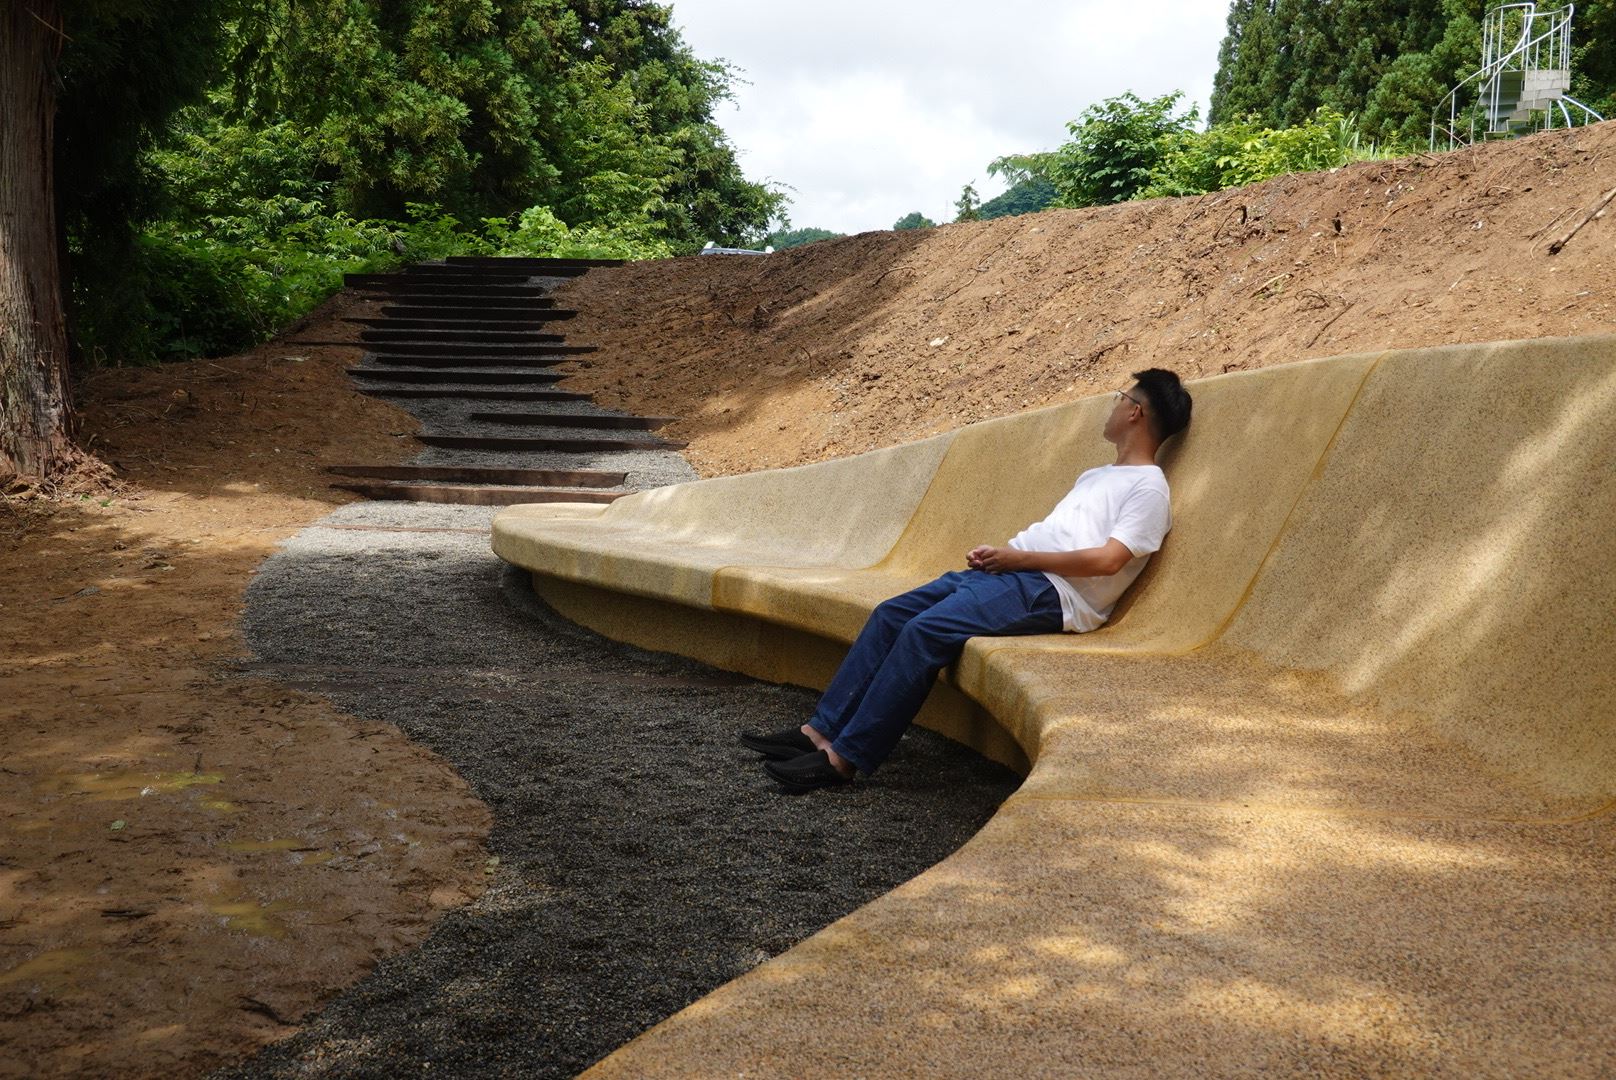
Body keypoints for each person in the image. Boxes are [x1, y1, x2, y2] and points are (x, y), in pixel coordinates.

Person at [741, 368, 1193, 794]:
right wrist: (1005, 557)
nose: (1111, 406)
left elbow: (1110, 560)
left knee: (923, 633)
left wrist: (1018, 559)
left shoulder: (1149, 488)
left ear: (1136, 411)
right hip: (1011, 575)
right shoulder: (1098, 476)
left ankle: (843, 759)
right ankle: (817, 732)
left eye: (1120, 398)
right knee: (891, 615)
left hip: (1053, 591)